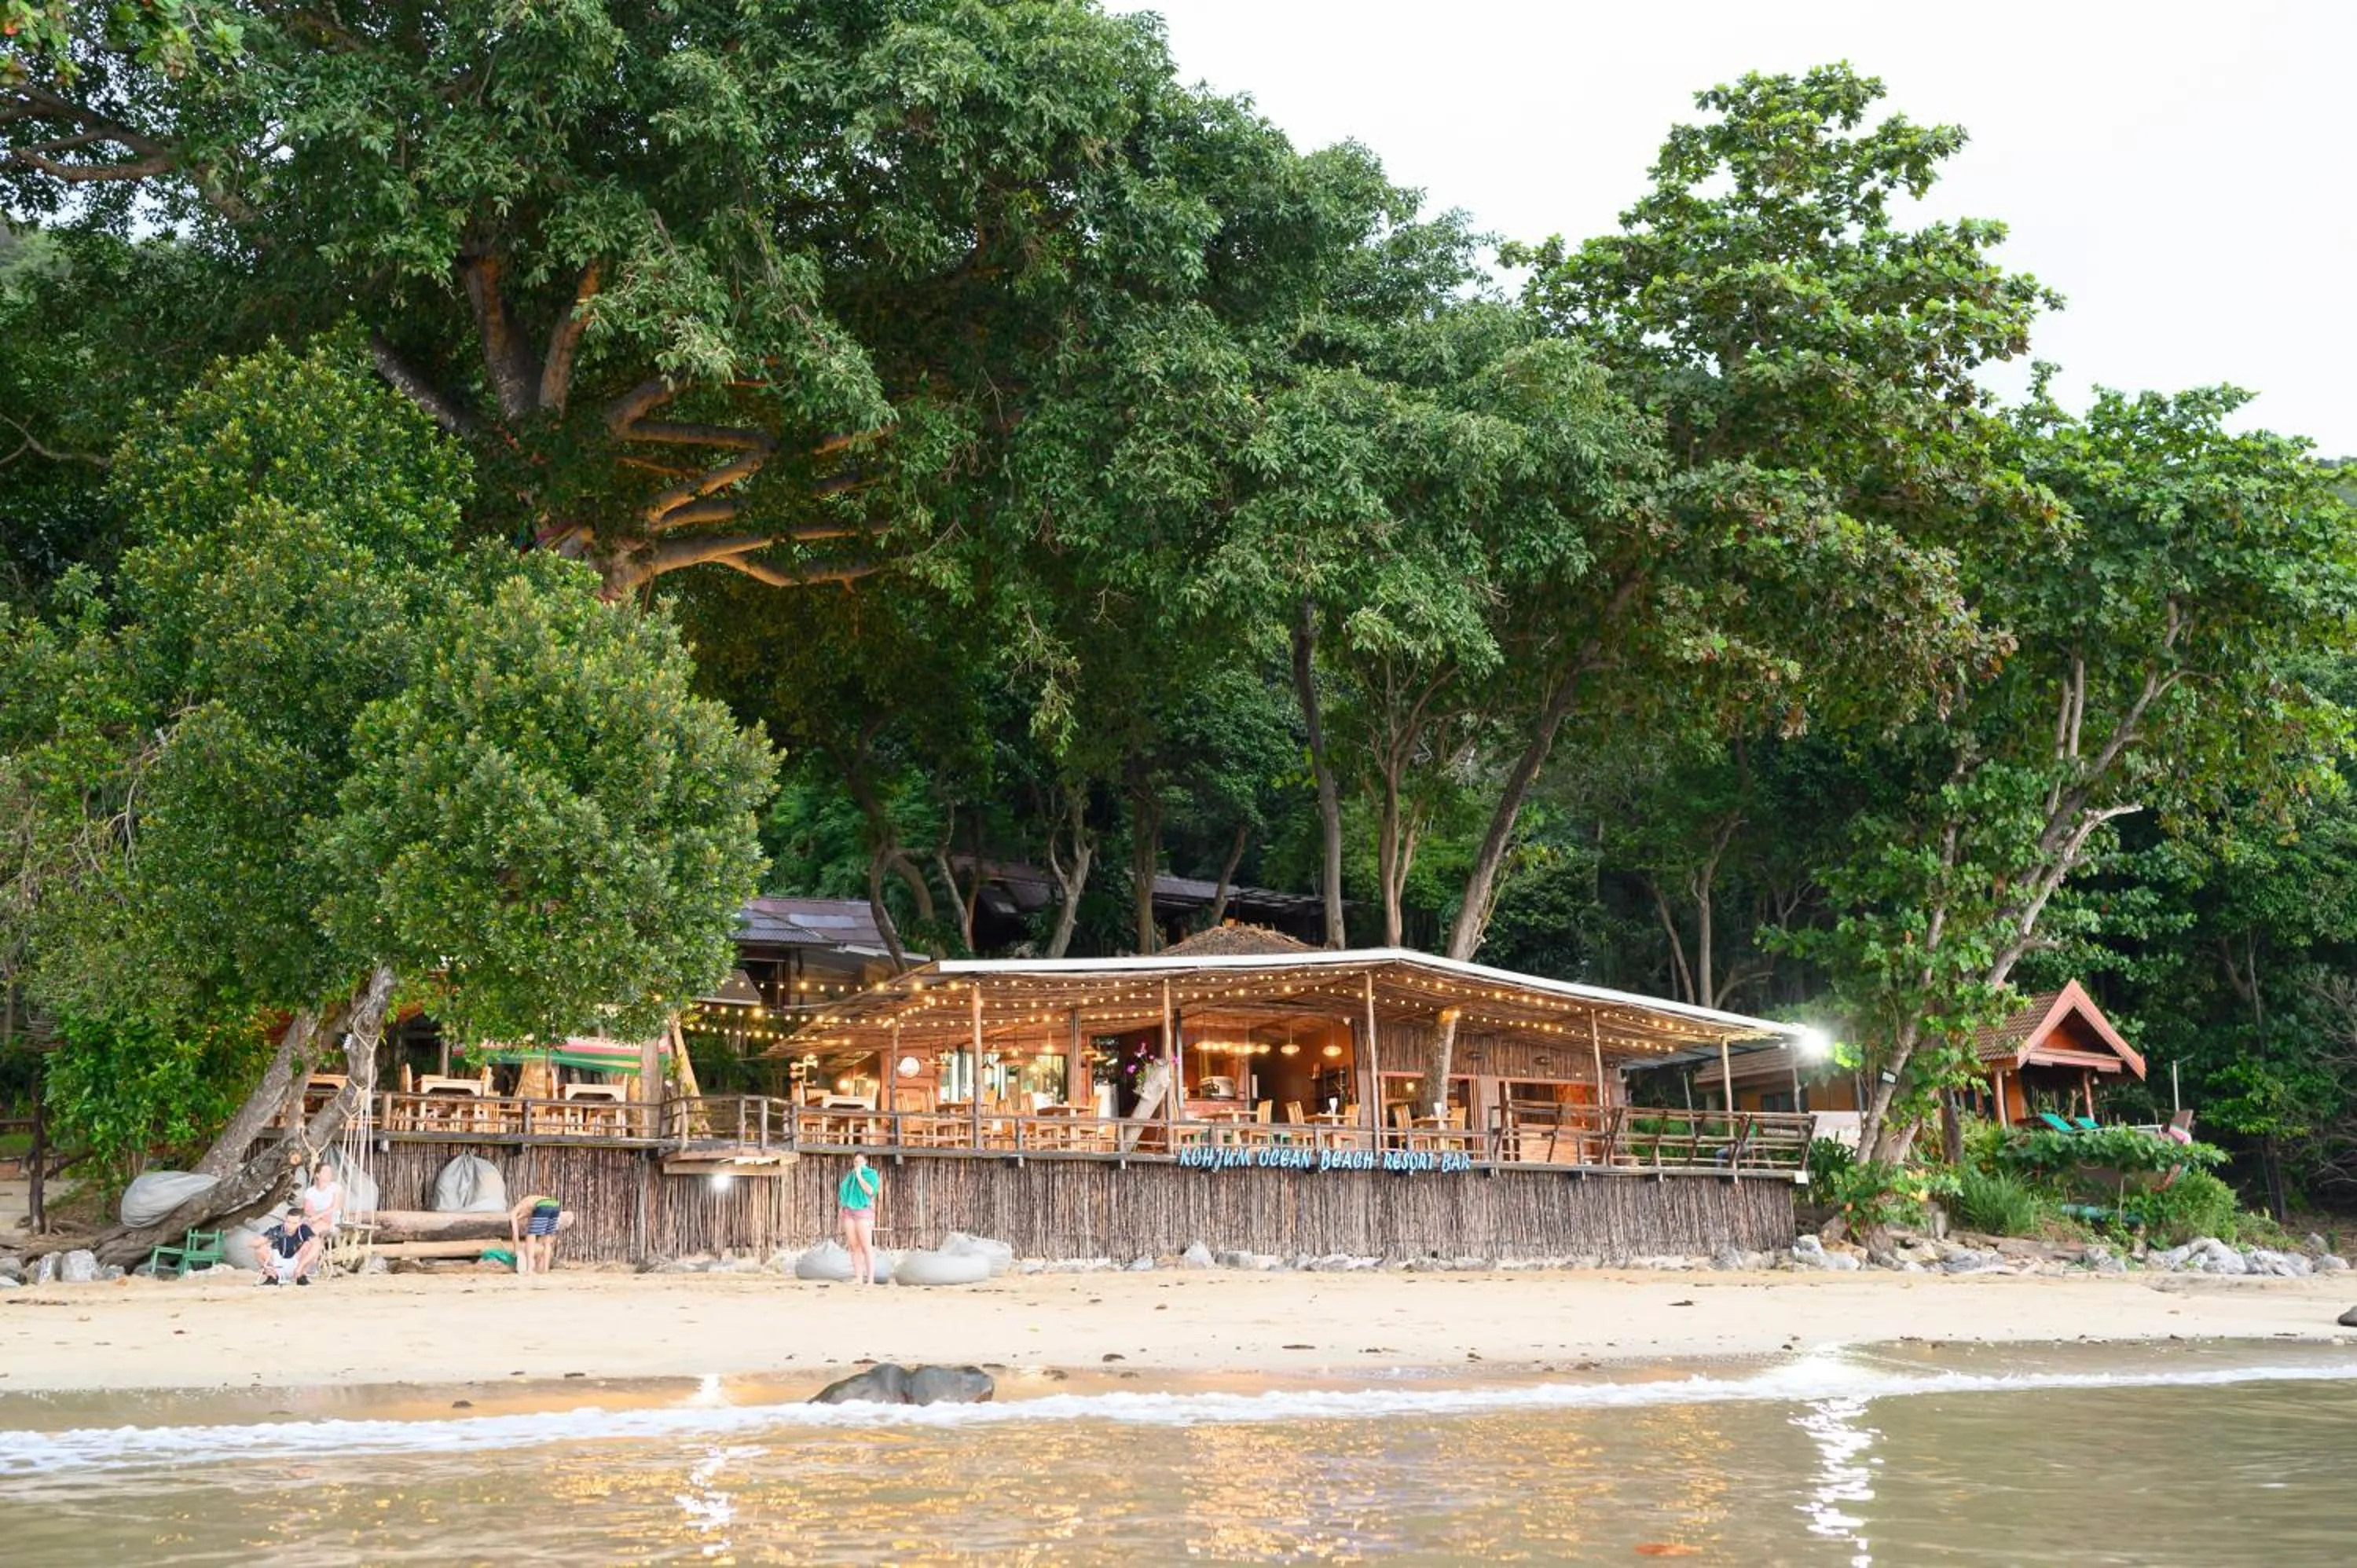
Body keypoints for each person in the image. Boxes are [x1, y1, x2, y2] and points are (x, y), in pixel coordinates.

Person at [288, 1159, 343, 1282]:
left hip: (332, 1221)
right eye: (326, 1172)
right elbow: (308, 1210)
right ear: (317, 1175)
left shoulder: (335, 1188)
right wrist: (315, 1217)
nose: (329, 1174)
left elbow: (335, 1207)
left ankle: (297, 1264)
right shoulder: (310, 1191)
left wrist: (318, 1216)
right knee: (311, 1237)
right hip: (314, 1222)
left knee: (310, 1233)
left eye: (330, 1172)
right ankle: (302, 1270)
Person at [838, 1152, 880, 1284]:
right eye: (856, 1162)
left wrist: (860, 1176)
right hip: (848, 1211)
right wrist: (842, 1207)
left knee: (866, 1246)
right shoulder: (850, 1177)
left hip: (863, 1211)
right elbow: (843, 1192)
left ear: (866, 1162)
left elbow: (870, 1191)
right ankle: (858, 1278)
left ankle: (870, 1279)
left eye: (861, 1162)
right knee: (854, 1246)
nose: (858, 1164)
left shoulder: (871, 1175)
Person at [509, 1191, 563, 1275]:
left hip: (543, 1205)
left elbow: (515, 1232)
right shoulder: (527, 1209)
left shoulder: (514, 1213)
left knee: (530, 1237)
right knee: (547, 1240)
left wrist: (516, 1249)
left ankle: (529, 1270)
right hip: (555, 1205)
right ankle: (545, 1269)